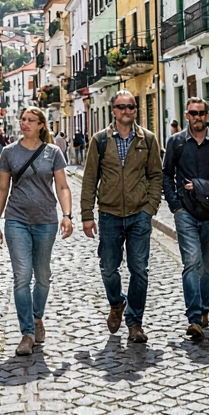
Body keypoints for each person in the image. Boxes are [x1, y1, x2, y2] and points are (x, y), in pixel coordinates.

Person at [81, 89, 162, 344]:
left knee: (140, 270)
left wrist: (151, 206)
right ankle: (117, 303)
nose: (127, 111)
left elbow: (156, 176)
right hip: (109, 214)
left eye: (131, 107)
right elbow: (90, 178)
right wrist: (86, 214)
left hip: (139, 214)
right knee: (108, 267)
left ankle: (135, 323)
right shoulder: (100, 140)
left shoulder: (147, 139)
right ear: (113, 110)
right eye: (121, 107)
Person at [0, 107, 74, 356]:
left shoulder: (53, 153)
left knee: (42, 276)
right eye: (23, 119)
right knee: (22, 276)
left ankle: (37, 317)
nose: (24, 123)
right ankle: (27, 332)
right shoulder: (9, 152)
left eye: (30, 120)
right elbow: (1, 188)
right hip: (16, 219)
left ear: (41, 125)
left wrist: (67, 215)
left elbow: (62, 187)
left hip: (46, 221)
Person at [162, 97, 209, 342]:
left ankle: (204, 309)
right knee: (192, 261)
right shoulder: (176, 143)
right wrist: (175, 205)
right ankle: (194, 317)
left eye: (201, 113)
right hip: (186, 212)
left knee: (208, 266)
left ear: (208, 115)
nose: (197, 117)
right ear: (186, 116)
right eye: (193, 113)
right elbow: (166, 174)